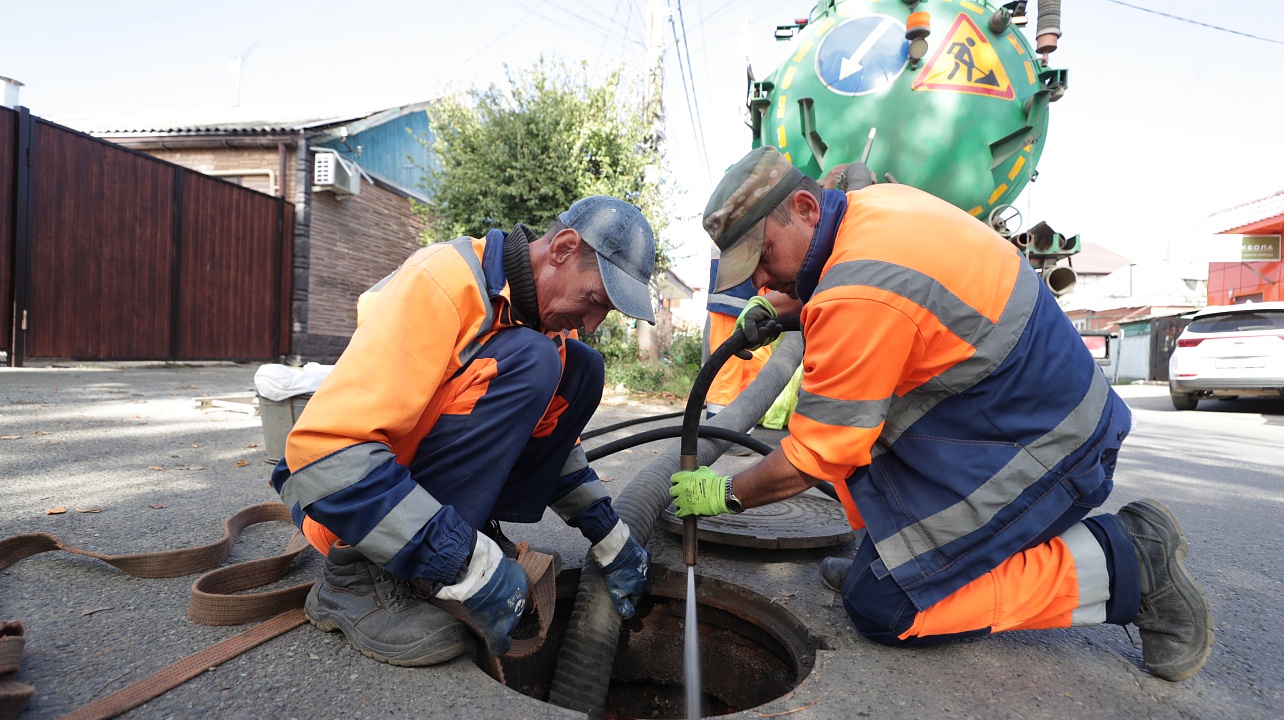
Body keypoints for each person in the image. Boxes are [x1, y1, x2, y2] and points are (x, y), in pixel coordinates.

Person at [670, 146, 1214, 682]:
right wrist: (798, 306)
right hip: (1024, 414)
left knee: (884, 607)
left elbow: (816, 455)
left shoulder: (858, 291)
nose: (762, 281)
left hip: (1050, 451)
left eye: (764, 257)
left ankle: (1128, 563)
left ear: (808, 209)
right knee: (872, 505)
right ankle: (897, 559)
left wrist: (729, 492)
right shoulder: (877, 208)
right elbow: (890, 298)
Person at [272, 196, 654, 666]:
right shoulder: (442, 283)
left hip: (403, 493)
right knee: (535, 362)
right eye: (594, 300)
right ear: (562, 249)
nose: (593, 322)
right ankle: (356, 577)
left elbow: (555, 450)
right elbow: (324, 456)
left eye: (607, 312)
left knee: (582, 368)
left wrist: (609, 536)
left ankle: (455, 533)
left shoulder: (549, 329)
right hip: (341, 505)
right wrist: (461, 560)